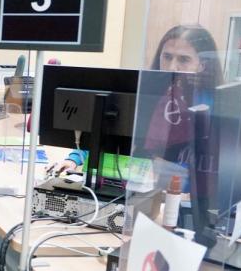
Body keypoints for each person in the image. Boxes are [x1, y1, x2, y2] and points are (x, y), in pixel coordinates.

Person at [49, 24, 222, 174]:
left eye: (184, 59)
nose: (172, 66)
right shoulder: (143, 92)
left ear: (202, 65)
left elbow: (211, 166)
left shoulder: (213, 105)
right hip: (138, 181)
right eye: (167, 57)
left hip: (180, 194)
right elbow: (111, 132)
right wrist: (74, 158)